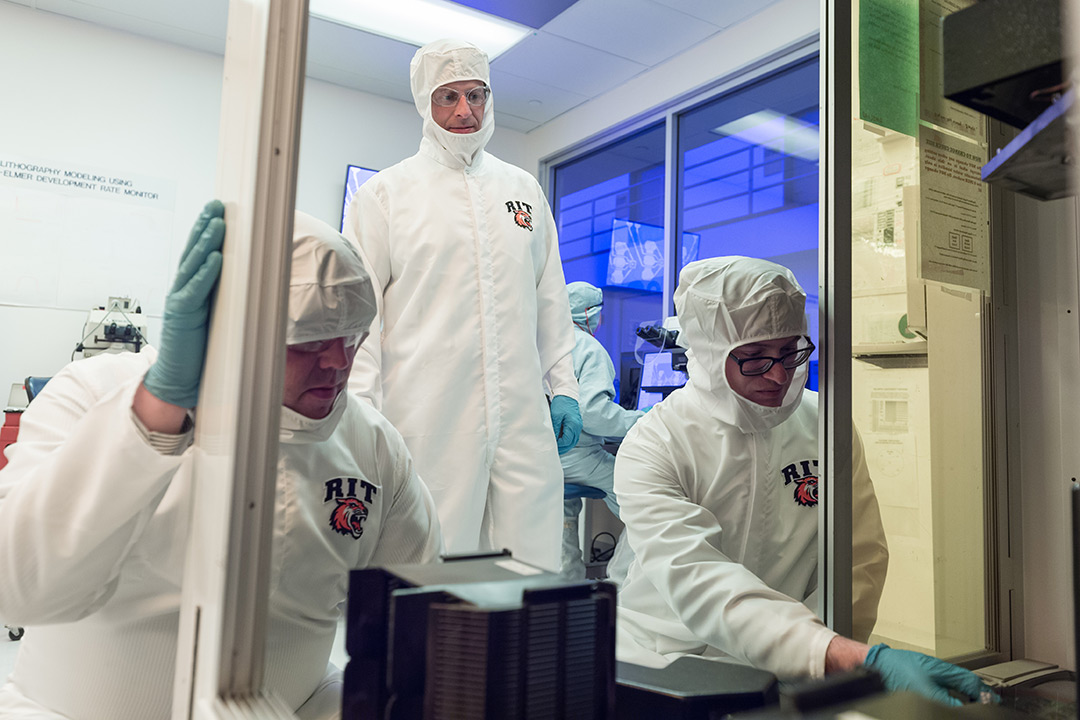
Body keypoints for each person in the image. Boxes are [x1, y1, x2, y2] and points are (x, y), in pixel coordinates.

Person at [0, 202, 442, 719]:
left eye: (353, 337)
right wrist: (155, 418)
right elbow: (17, 587)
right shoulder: (95, 393)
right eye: (312, 341)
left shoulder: (372, 445)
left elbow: (421, 608)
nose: (339, 362)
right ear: (232, 330)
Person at [613, 256, 994, 706]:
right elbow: (697, 580)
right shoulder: (655, 444)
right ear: (711, 355)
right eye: (754, 359)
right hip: (664, 661)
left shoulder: (825, 425)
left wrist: (826, 658)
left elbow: (860, 558)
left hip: (789, 667)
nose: (778, 375)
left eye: (790, 352)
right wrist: (828, 652)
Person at [343, 38, 580, 572]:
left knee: (530, 563)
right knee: (428, 562)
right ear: (425, 103)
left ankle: (520, 658)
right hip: (426, 416)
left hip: (522, 418)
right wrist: (361, 414)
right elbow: (360, 316)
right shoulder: (386, 195)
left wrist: (563, 387)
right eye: (447, 97)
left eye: (476, 95)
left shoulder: (522, 190)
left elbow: (549, 297)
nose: (464, 111)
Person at [559, 281, 646, 579]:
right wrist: (642, 420)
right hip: (576, 454)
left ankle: (564, 591)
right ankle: (625, 582)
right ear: (588, 313)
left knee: (560, 521)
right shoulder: (587, 347)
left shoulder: (541, 341)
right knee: (643, 502)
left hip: (537, 456)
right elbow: (593, 415)